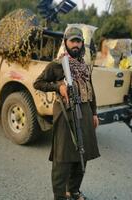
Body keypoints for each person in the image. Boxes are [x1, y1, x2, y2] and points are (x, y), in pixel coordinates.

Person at [33, 27, 100, 200]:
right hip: (65, 115)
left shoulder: (84, 66)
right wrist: (58, 87)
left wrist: (94, 113)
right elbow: (38, 83)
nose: (76, 44)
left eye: (79, 41)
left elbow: (91, 90)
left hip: (84, 113)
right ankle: (60, 196)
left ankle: (74, 191)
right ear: (66, 43)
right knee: (62, 158)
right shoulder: (57, 65)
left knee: (82, 155)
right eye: (73, 41)